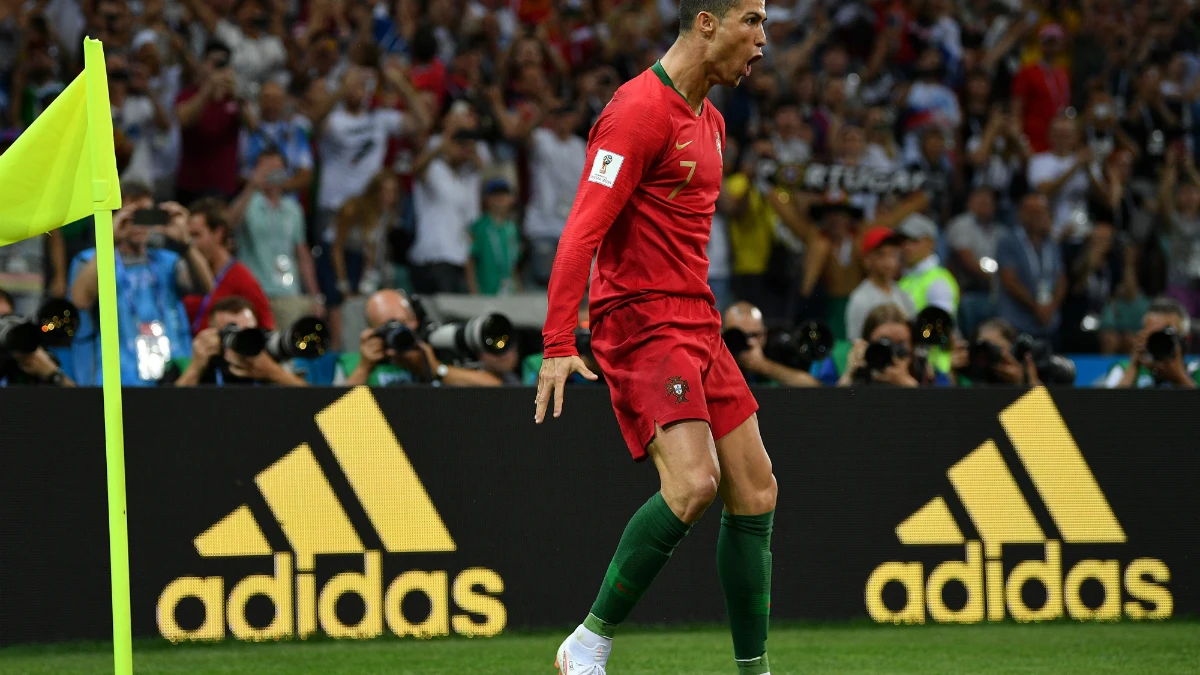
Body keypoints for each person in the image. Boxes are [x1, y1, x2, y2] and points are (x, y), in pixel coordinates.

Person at [535, 2, 774, 673]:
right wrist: (559, 341)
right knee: (695, 483)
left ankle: (754, 671)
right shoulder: (637, 111)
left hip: (698, 318)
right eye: (751, 21)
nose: (762, 40)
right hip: (641, 318)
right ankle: (586, 643)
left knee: (755, 489)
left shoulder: (714, 121)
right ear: (706, 23)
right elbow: (582, 228)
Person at [68, 200, 213, 385]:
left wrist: (186, 243)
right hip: (120, 378)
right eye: (131, 217)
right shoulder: (92, 259)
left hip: (173, 374)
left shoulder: (166, 260)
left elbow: (207, 288)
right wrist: (108, 239)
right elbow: (80, 301)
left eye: (144, 217)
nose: (139, 226)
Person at [226, 147, 323, 332]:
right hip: (253, 291)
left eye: (277, 169)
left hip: (287, 292)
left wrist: (315, 296)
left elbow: (302, 254)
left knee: (290, 351)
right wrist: (252, 185)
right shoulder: (248, 203)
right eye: (267, 169)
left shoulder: (293, 208)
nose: (272, 174)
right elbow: (228, 224)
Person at [336, 289, 502, 386]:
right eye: (386, 327)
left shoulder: (435, 354)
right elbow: (332, 415)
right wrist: (364, 369)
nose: (397, 332)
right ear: (372, 331)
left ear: (414, 320)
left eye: (402, 323)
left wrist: (435, 369)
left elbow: (497, 391)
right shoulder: (352, 364)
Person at [163, 296, 308, 387]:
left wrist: (274, 373)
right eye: (232, 331)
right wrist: (195, 368)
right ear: (212, 333)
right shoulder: (189, 366)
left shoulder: (271, 364)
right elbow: (165, 416)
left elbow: (318, 407)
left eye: (248, 332)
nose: (242, 340)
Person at [182, 198, 275, 334]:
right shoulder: (188, 275)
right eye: (188, 236)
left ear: (218, 233)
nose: (192, 243)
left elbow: (267, 329)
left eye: (196, 235)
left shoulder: (243, 279)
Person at [996, 193, 1066, 341]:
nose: (1036, 216)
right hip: (1017, 321)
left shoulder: (1052, 243)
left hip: (1048, 321)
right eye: (1031, 212)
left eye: (1041, 211)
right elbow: (1009, 280)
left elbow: (1061, 279)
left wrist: (1051, 307)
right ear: (1020, 214)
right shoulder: (1009, 241)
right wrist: (1035, 306)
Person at [1104, 297, 1199, 389]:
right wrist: (1134, 366)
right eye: (1153, 336)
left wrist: (1180, 377)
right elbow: (1108, 404)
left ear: (1185, 339)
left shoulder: (1196, 373)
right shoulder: (1122, 369)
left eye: (1167, 334)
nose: (1160, 342)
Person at [722, 301, 820, 387]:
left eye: (754, 335)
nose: (749, 342)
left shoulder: (776, 349)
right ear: (721, 334)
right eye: (738, 335)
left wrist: (764, 366)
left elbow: (814, 386)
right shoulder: (714, 357)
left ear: (764, 334)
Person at [845, 226, 916, 341]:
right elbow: (856, 341)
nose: (889, 261)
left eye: (893, 254)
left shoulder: (903, 294)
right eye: (881, 254)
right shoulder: (860, 298)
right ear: (867, 260)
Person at [466, 178, 522, 295]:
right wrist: (474, 292)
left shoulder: (512, 229)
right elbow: (470, 262)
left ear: (511, 199)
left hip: (509, 293)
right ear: (486, 199)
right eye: (495, 194)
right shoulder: (479, 226)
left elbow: (514, 265)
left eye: (504, 194)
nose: (500, 198)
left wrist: (519, 291)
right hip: (486, 292)